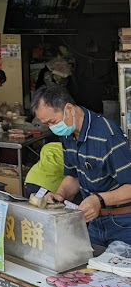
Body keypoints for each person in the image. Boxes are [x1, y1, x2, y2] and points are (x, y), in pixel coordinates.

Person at [31, 85, 131, 247]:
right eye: (47, 124)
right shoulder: (68, 134)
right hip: (94, 223)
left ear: (69, 109)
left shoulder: (107, 136)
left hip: (123, 224)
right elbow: (74, 176)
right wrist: (60, 195)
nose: (52, 128)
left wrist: (99, 199)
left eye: (52, 122)